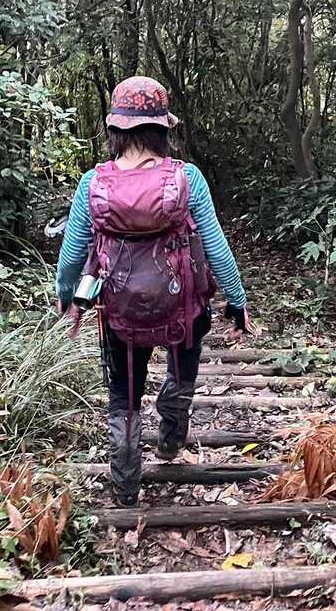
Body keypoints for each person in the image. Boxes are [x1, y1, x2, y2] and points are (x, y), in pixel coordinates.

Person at [56, 76, 253, 507]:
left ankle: (126, 483)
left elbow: (72, 252)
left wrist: (68, 295)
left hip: (119, 310)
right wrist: (236, 301)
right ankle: (171, 434)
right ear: (163, 129)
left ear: (115, 129)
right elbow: (216, 247)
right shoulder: (187, 178)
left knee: (123, 394)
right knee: (183, 369)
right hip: (183, 304)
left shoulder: (93, 183)